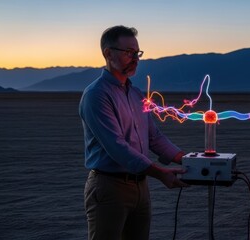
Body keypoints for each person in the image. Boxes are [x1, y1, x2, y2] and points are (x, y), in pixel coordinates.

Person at [79, 25, 188, 240]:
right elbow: (117, 147)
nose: (135, 58)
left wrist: (188, 159)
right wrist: (160, 173)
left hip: (141, 187)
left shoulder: (136, 95)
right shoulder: (96, 95)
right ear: (108, 53)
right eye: (128, 52)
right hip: (109, 188)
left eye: (137, 53)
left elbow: (154, 137)